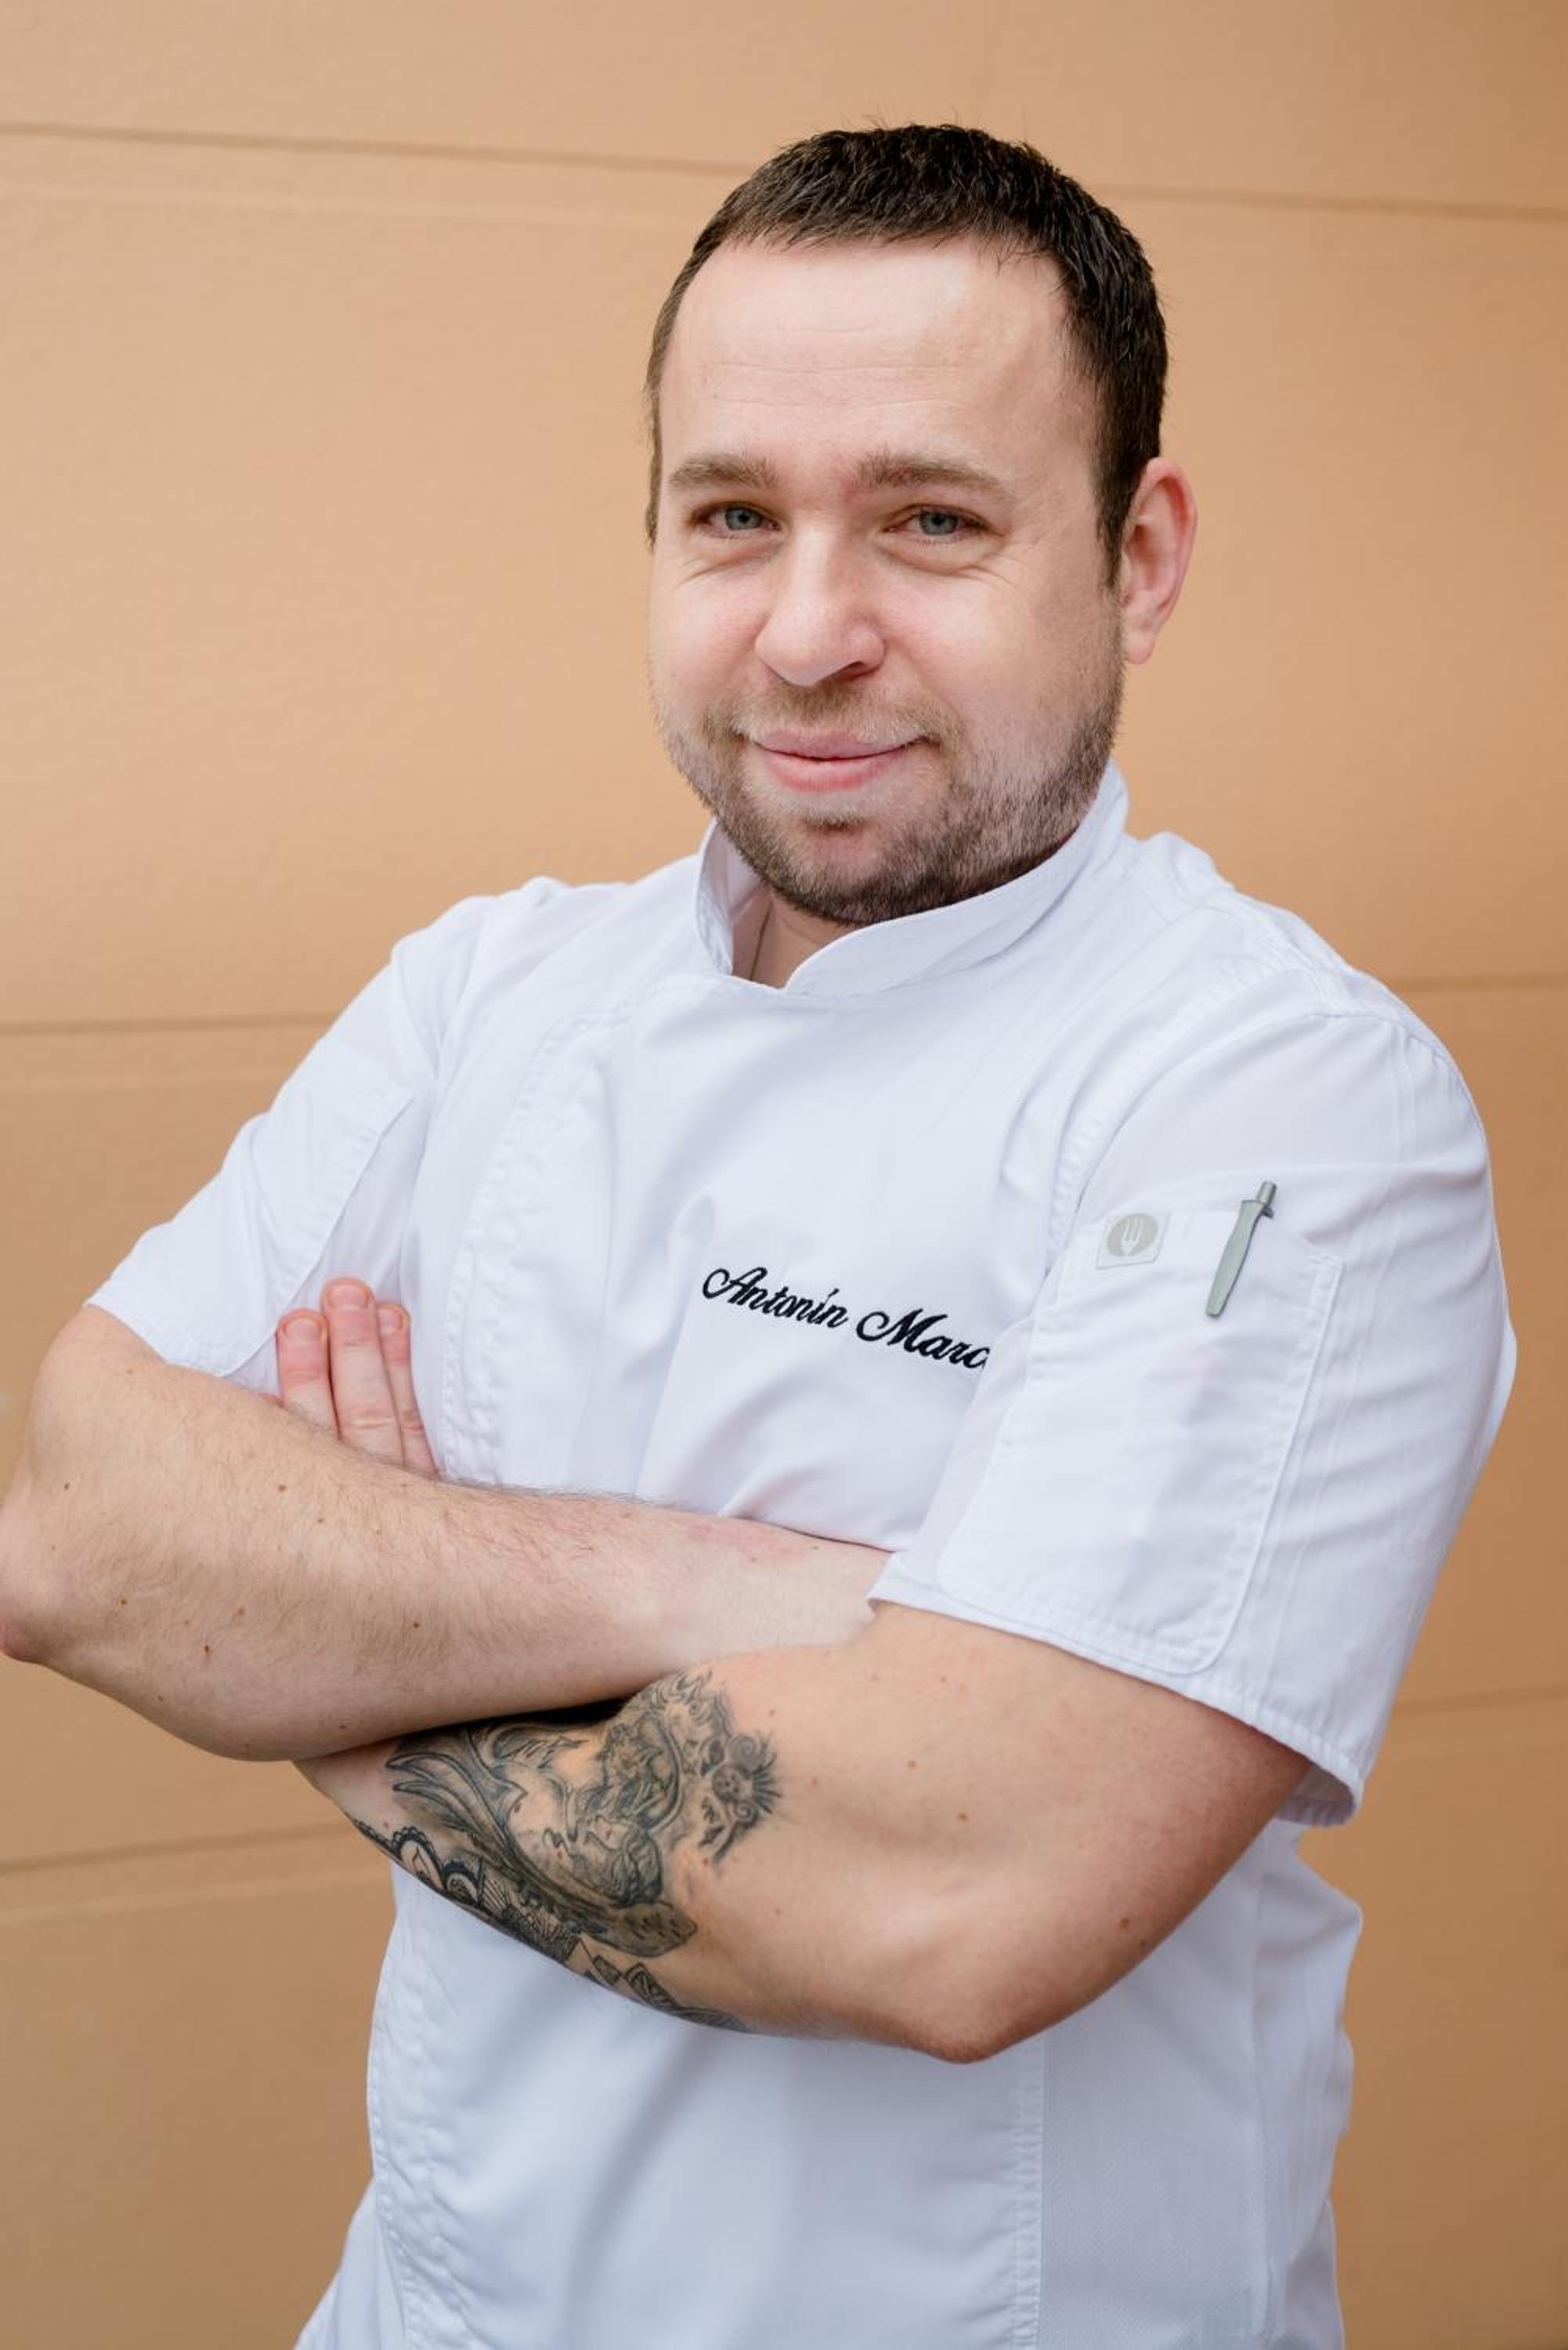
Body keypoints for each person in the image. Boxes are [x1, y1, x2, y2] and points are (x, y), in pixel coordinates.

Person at [0, 123, 1515, 2350]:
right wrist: (779, 1600)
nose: (809, 634)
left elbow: (960, 1906)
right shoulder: (491, 992)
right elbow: (75, 1528)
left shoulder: (1280, 1100)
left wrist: (342, 1657)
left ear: (1139, 557)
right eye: (731, 516)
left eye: (929, 520)